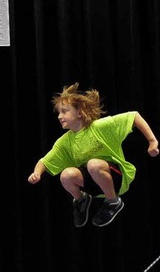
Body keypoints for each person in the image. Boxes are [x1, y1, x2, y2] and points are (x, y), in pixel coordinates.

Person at [28, 82, 159, 228]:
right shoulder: (65, 141)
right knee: (66, 175)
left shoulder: (99, 127)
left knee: (94, 164)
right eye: (59, 112)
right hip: (94, 183)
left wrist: (152, 141)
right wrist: (36, 173)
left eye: (64, 111)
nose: (59, 116)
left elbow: (134, 116)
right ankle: (81, 200)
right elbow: (45, 161)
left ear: (80, 112)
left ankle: (113, 201)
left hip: (116, 178)